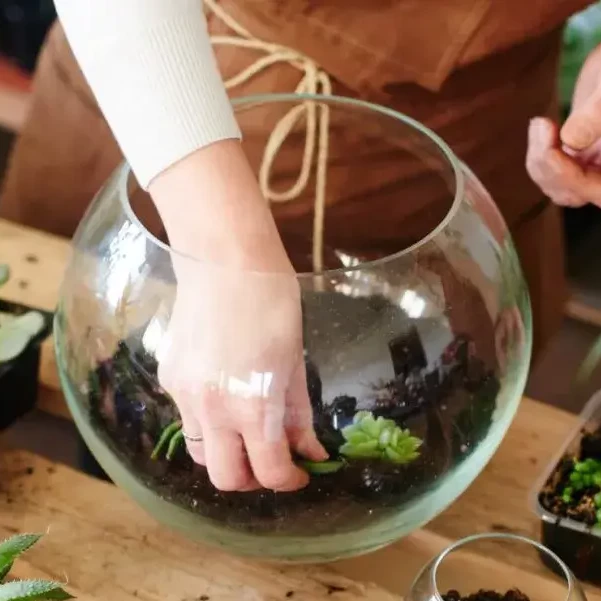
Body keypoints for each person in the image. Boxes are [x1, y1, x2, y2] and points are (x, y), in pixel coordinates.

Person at [0, 0, 597, 492]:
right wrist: (223, 255)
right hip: (167, 96)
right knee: (138, 406)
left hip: (461, 169)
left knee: (433, 429)